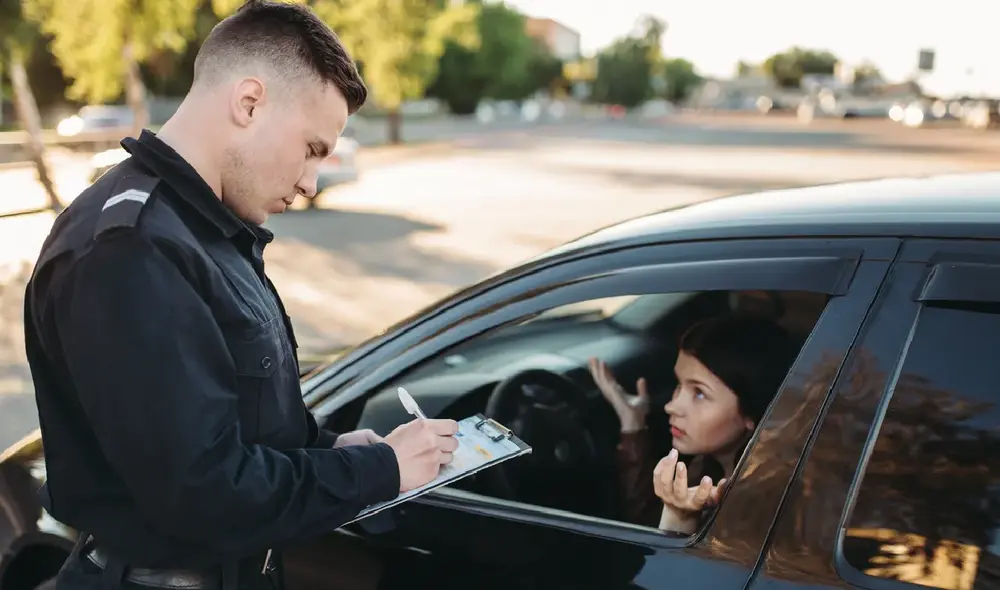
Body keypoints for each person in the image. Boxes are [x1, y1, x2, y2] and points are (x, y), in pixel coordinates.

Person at [22, 2, 459, 589]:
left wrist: (331, 449)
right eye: (312, 148)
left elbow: (232, 426)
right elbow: (203, 494)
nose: (310, 182)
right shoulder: (129, 252)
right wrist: (378, 471)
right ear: (249, 102)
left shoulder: (203, 229)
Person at [587, 314, 799, 535]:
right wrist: (632, 423)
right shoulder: (707, 464)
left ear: (752, 412)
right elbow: (649, 523)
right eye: (679, 385)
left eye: (699, 393)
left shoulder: (763, 507)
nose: (671, 406)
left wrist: (680, 519)